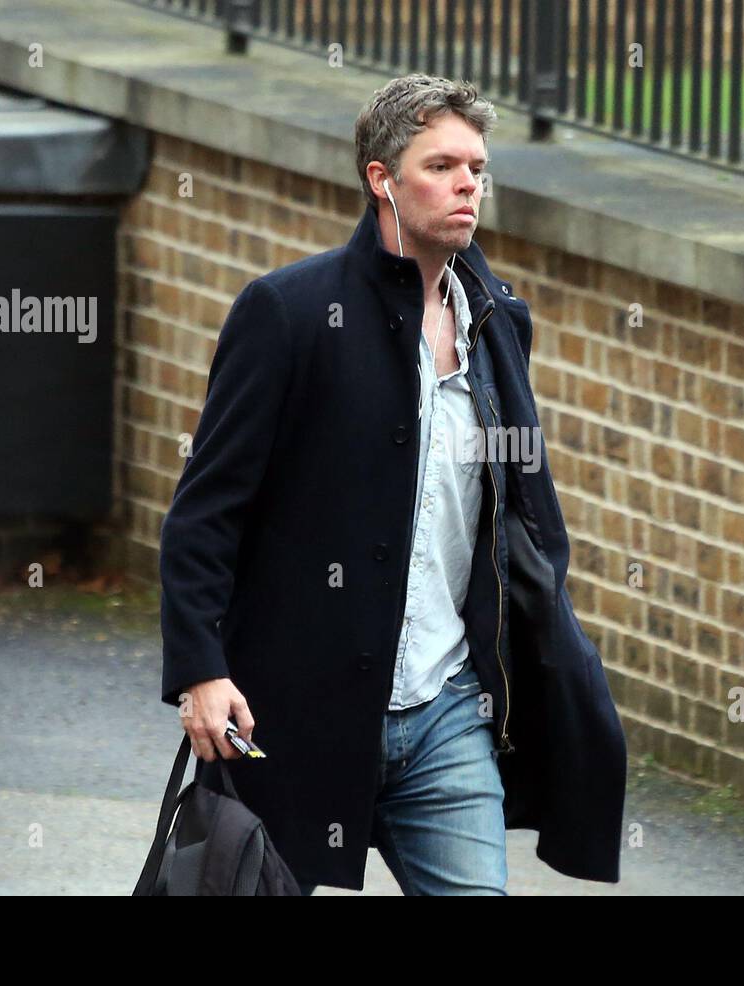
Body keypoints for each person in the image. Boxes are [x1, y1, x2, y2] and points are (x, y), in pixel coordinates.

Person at [158, 74, 627, 895]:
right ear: (383, 179)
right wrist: (202, 671)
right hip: (289, 715)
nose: (467, 185)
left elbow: (519, 516)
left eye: (476, 168)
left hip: (446, 710)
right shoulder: (289, 314)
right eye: (442, 165)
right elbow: (205, 512)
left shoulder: (496, 322)